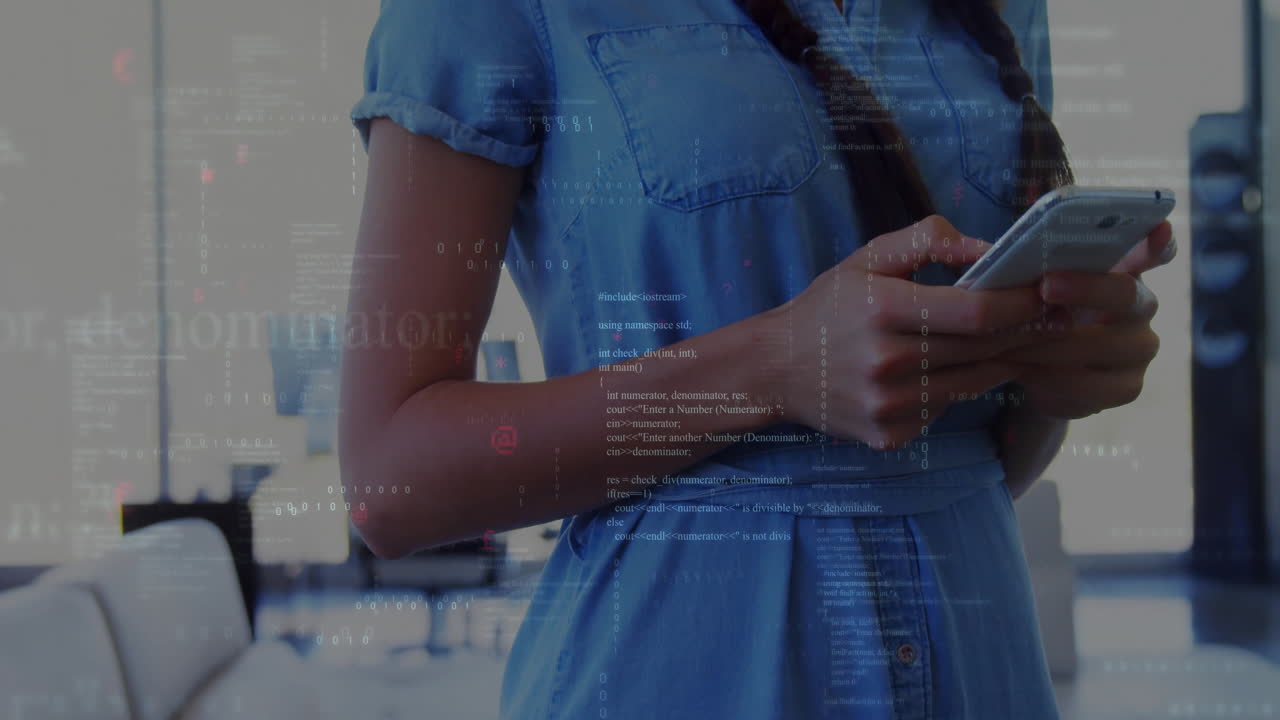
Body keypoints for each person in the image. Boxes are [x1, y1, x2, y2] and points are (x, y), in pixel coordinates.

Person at [340, 0, 1176, 717]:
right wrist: (772, 369)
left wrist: (1058, 365)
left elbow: (987, 459)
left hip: (988, 664)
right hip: (675, 671)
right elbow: (390, 482)